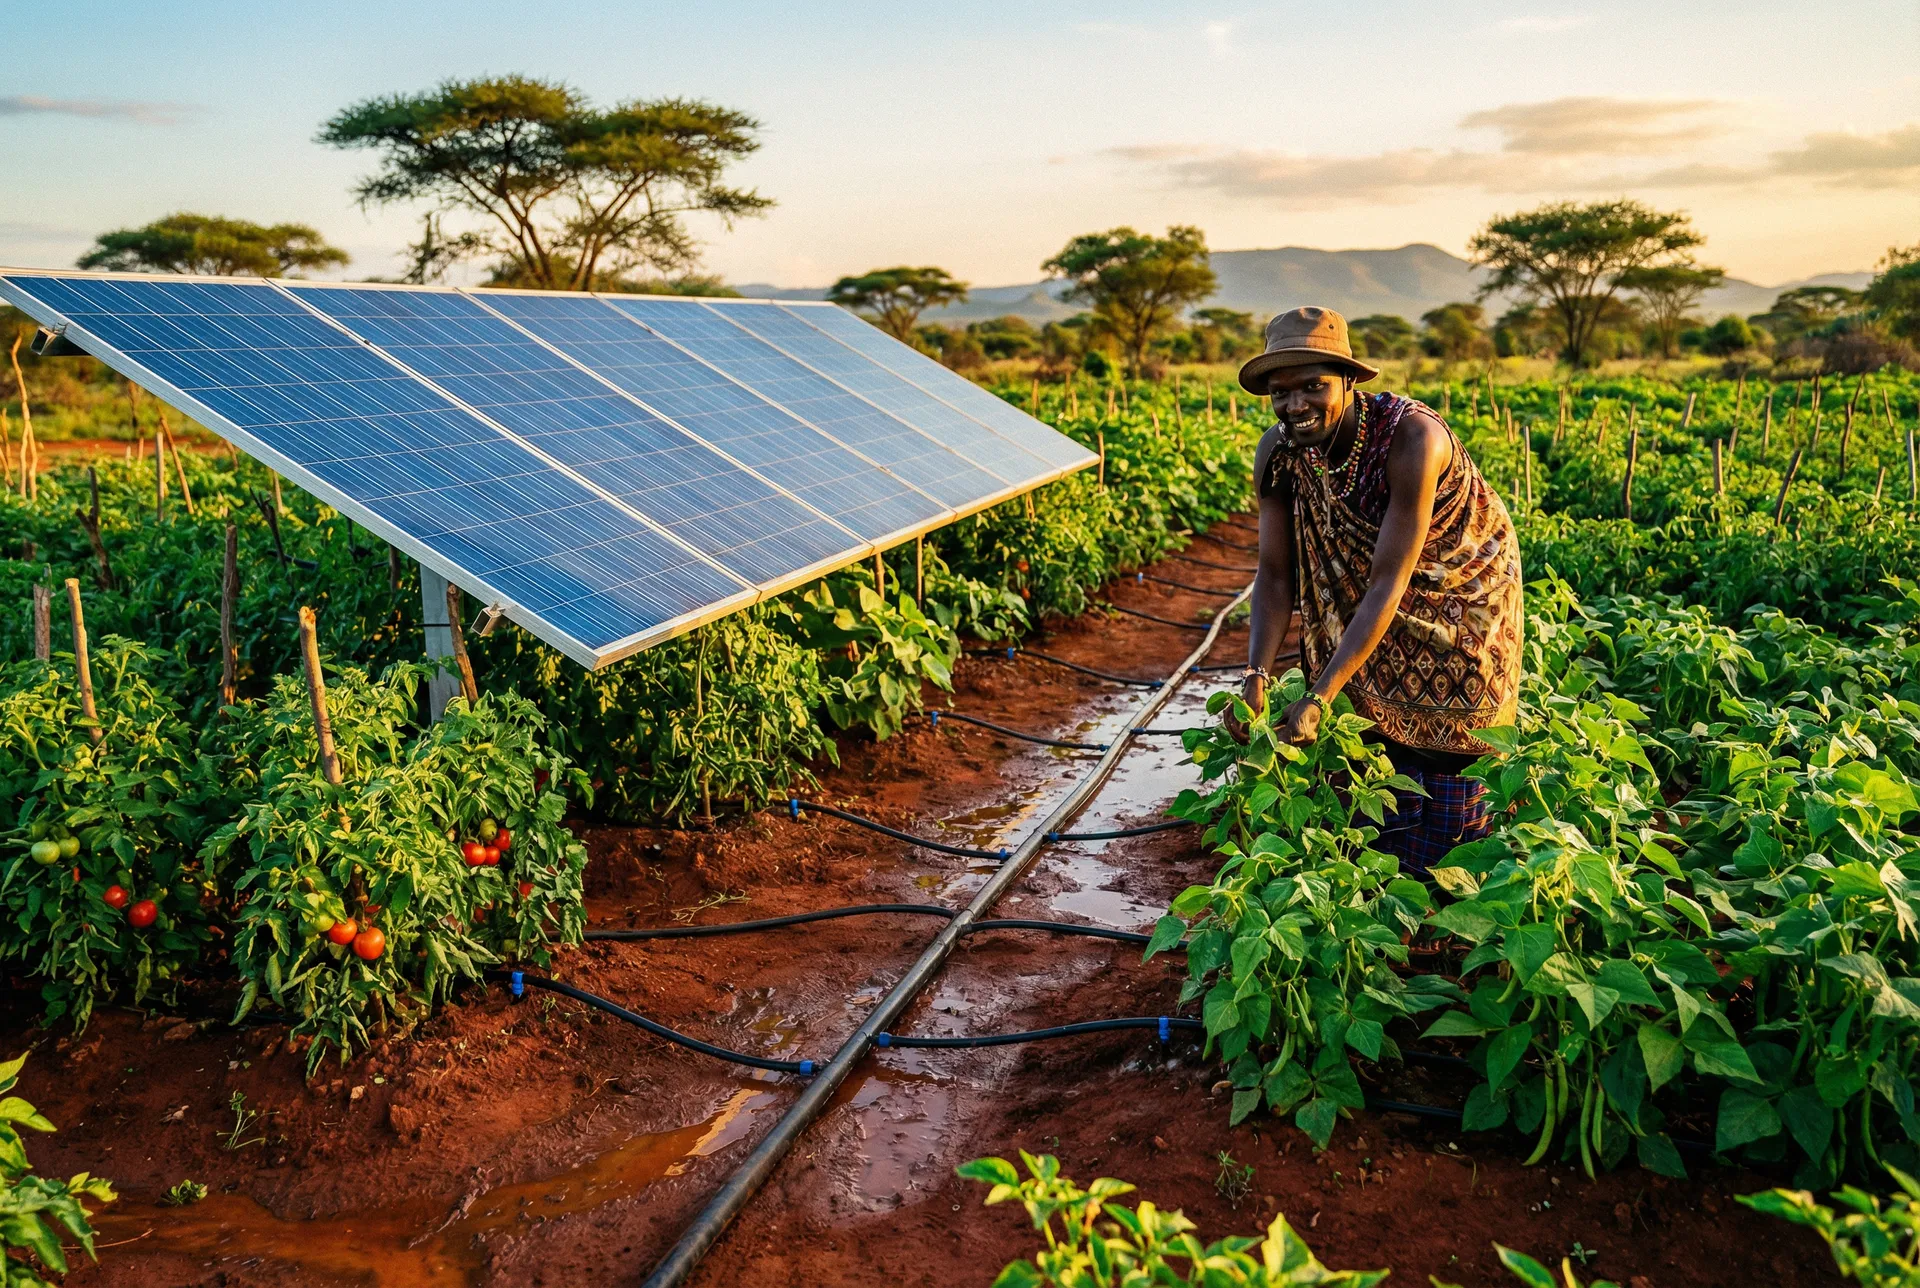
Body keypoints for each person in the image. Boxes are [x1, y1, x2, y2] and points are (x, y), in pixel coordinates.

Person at [1227, 306, 1523, 874]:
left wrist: (1318, 694)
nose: (1295, 406)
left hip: (1457, 596)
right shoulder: (1280, 451)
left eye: (1313, 387)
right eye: (1280, 393)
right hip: (1377, 598)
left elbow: (1391, 578)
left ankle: (1449, 908)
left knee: (1448, 756)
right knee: (1367, 754)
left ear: (1349, 381)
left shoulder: (1412, 439)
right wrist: (1256, 676)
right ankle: (1378, 902)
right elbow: (1275, 573)